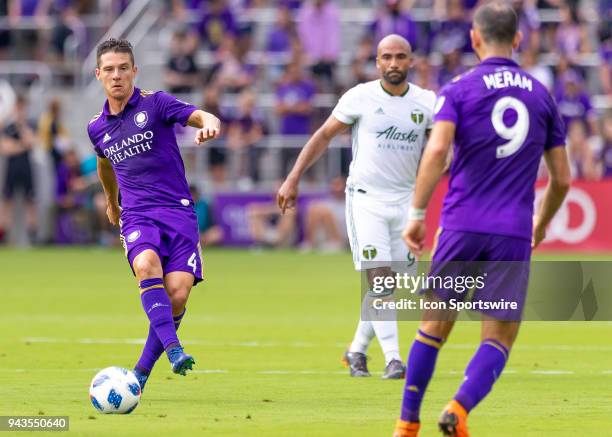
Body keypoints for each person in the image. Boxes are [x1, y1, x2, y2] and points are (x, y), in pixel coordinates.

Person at [394, 3, 571, 436]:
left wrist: (417, 214)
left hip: (459, 225)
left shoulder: (457, 89)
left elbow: (437, 152)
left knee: (432, 327)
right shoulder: (540, 93)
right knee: (499, 336)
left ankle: (406, 424)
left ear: (474, 38)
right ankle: (458, 407)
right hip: (511, 231)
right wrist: (541, 224)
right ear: (518, 39)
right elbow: (563, 179)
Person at [278, 34, 436, 380]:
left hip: (407, 202)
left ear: (411, 61)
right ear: (377, 62)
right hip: (367, 200)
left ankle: (356, 352)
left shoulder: (427, 103)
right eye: (386, 57)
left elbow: (444, 149)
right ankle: (395, 360)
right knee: (379, 280)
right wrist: (293, 177)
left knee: (391, 284)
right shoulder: (361, 97)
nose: (393, 63)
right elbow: (323, 135)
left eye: (400, 57)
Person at [87, 38, 221, 392]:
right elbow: (105, 164)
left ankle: (140, 374)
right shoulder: (96, 127)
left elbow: (200, 114)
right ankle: (174, 350)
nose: (117, 76)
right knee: (146, 266)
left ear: (134, 71)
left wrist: (209, 123)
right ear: (98, 74)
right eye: (109, 70)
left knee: (177, 294)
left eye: (123, 68)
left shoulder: (156, 103)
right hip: (137, 215)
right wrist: (111, 201)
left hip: (177, 214)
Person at [0, 94, 38, 245]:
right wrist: (22, 146)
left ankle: (33, 236)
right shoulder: (8, 127)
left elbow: (31, 142)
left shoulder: (30, 124)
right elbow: (5, 149)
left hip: (27, 169)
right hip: (11, 169)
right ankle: (4, 236)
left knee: (30, 202)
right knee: (7, 202)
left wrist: (21, 127)